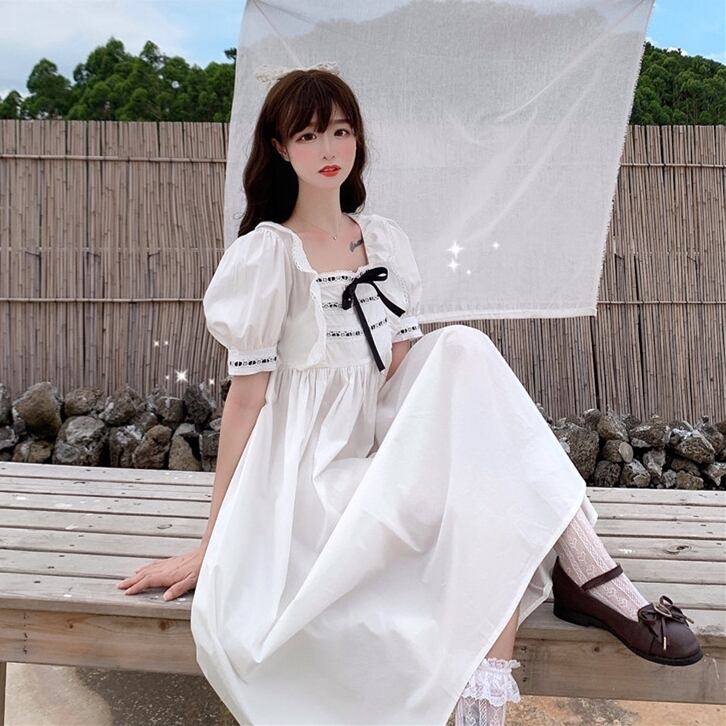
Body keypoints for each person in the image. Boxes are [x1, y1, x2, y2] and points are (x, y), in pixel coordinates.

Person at [117, 63, 702, 726]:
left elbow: (401, 371)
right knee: (483, 466)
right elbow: (246, 401)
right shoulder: (269, 254)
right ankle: (581, 581)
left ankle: (563, 594)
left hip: (381, 447)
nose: (329, 149)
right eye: (308, 136)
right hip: (311, 475)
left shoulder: (384, 241)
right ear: (280, 148)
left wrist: (450, 431)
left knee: (464, 351)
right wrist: (214, 541)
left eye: (341, 131)